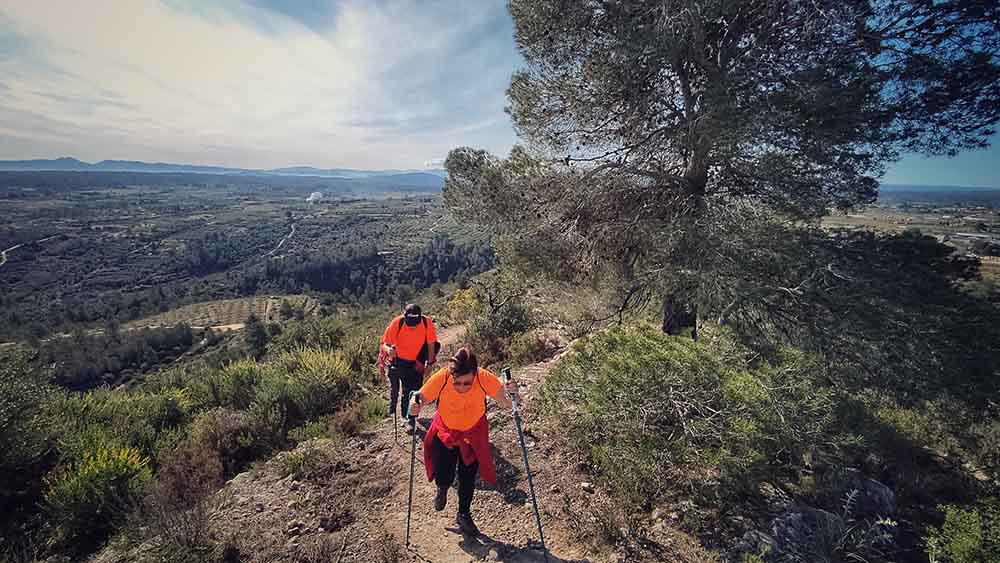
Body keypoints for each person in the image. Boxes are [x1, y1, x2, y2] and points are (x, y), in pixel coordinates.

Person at [408, 346, 519, 536]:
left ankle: (464, 514)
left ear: (474, 374)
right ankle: (442, 488)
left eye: (467, 384)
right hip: (446, 431)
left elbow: (508, 404)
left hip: (473, 434)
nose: (461, 388)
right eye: (457, 383)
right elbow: (420, 396)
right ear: (452, 375)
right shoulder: (443, 377)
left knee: (468, 477)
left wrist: (513, 393)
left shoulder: (483, 378)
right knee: (444, 471)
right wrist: (413, 405)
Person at [378, 303, 439, 428]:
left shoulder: (426, 323)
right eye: (409, 323)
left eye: (414, 323)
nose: (412, 326)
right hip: (400, 361)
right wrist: (389, 350)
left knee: (414, 390)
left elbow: (431, 344)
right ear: (404, 316)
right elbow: (385, 343)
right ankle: (407, 418)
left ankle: (411, 418)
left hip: (417, 361)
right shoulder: (397, 323)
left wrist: (430, 363)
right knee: (405, 391)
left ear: (420, 317)